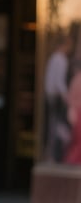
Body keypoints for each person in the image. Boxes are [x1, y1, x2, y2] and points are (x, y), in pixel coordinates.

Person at [44, 34, 73, 163]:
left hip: (50, 95)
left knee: (53, 125)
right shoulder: (61, 59)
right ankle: (56, 154)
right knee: (58, 125)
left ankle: (52, 154)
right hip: (57, 96)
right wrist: (67, 97)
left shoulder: (53, 58)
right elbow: (59, 82)